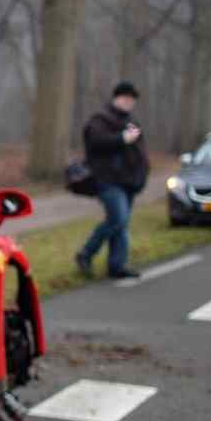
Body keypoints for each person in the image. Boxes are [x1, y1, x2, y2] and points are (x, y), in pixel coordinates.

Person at [75, 81, 150, 279]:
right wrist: (122, 139)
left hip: (130, 182)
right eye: (125, 98)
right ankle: (85, 253)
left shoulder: (133, 122)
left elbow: (141, 152)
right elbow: (96, 142)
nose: (128, 102)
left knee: (121, 224)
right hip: (107, 180)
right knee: (118, 219)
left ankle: (116, 266)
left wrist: (143, 175)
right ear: (115, 98)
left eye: (132, 99)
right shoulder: (100, 120)